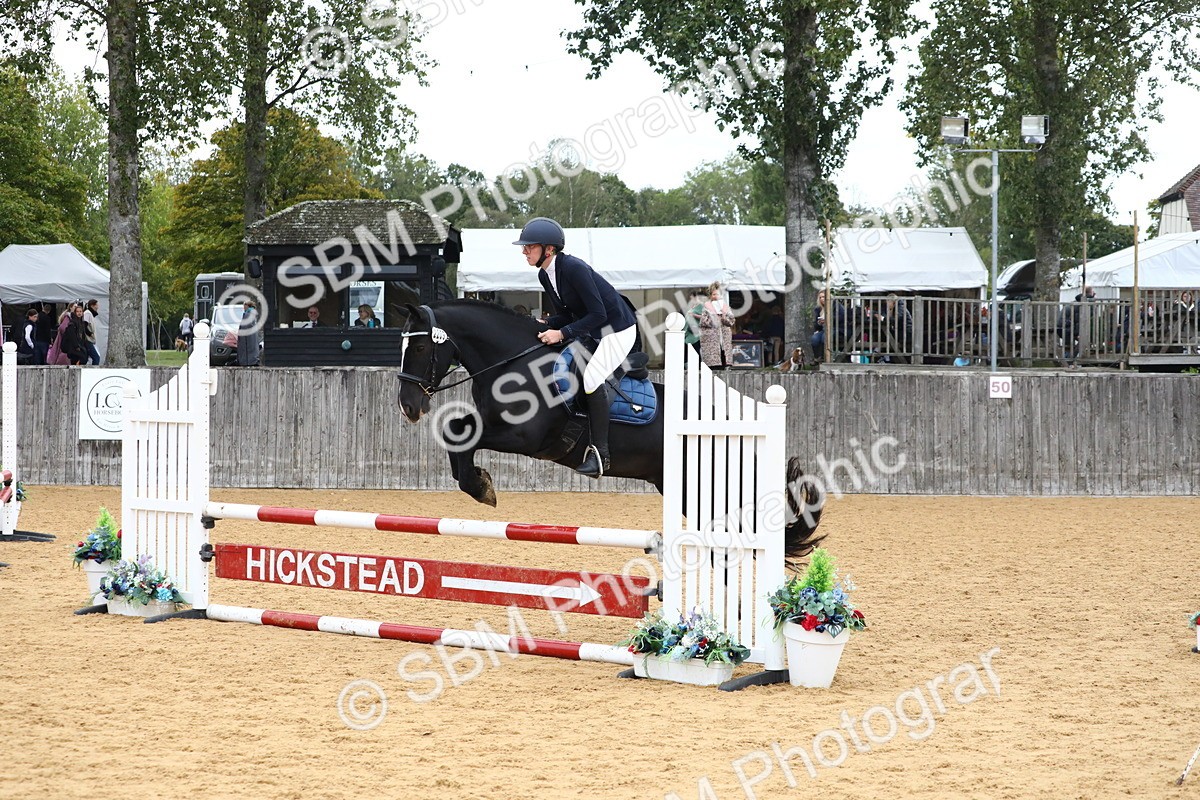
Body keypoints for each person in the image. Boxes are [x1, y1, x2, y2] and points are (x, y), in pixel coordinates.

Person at [514, 216, 637, 478]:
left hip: (617, 328)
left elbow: (598, 314)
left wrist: (562, 333)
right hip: (594, 330)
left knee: (592, 377)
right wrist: (545, 322)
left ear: (549, 249)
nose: (524, 250)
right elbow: (568, 315)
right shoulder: (545, 275)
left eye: (529, 246)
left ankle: (601, 455)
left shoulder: (573, 268)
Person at [698, 282, 735, 368]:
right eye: (713, 294)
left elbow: (731, 321)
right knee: (713, 365)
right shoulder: (706, 307)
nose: (716, 296)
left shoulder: (725, 307)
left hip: (724, 338)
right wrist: (714, 318)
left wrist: (723, 317)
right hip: (711, 340)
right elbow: (703, 322)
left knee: (725, 361)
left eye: (717, 294)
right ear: (710, 295)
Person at [810, 289, 843, 361]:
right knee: (814, 338)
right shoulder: (818, 309)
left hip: (836, 328)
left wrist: (828, 320)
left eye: (824, 297)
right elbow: (816, 325)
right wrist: (819, 323)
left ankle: (824, 357)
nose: (822, 299)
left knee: (824, 337)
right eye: (820, 297)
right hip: (823, 329)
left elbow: (840, 317)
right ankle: (817, 358)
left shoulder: (836, 305)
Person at [238, 301, 260, 366]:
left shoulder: (248, 314)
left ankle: (248, 362)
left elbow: (245, 325)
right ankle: (252, 361)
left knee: (247, 349)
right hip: (252, 336)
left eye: (244, 306)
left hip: (247, 337)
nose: (243, 308)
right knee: (253, 348)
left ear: (247, 306)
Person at [82, 299, 101, 365]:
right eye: (96, 305)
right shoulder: (87, 313)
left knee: (85, 359)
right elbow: (84, 325)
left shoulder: (89, 314)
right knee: (96, 358)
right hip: (88, 340)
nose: (97, 307)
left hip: (89, 340)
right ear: (92, 305)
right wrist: (90, 334)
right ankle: (94, 372)